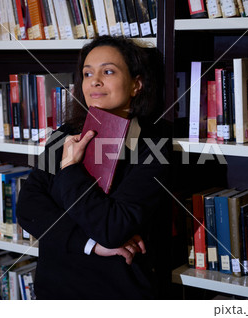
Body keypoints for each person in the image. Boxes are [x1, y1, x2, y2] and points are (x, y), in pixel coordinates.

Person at [17, 35, 170, 300]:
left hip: (116, 292)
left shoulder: (153, 147)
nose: (95, 81)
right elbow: (28, 208)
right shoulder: (65, 134)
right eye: (87, 74)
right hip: (55, 290)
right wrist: (90, 244)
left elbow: (112, 228)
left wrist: (69, 168)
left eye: (108, 71)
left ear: (136, 84)